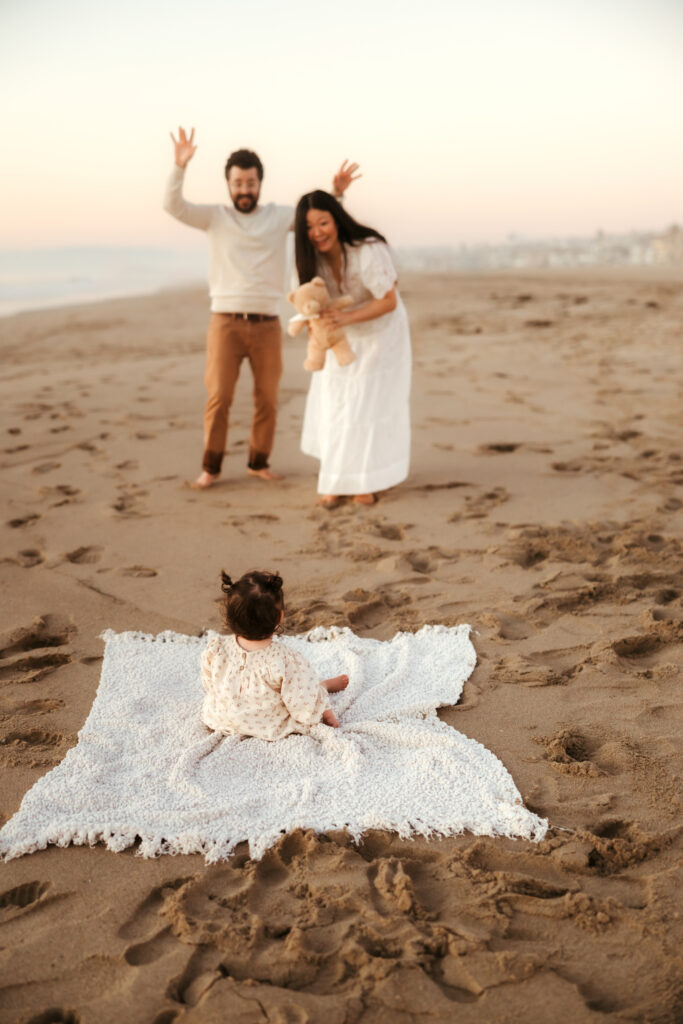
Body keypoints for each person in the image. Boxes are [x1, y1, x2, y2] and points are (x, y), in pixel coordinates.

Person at [163, 127, 360, 489]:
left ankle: (259, 462)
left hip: (268, 324)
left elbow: (316, 222)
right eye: (238, 183)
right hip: (225, 322)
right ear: (228, 184)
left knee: (267, 399)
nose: (244, 190)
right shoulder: (215, 217)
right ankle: (211, 468)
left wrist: (337, 194)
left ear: (259, 184)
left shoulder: (279, 217)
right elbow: (173, 207)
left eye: (250, 183)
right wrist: (179, 167)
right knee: (219, 397)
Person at [293, 191, 411, 508]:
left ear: (337, 220)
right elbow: (308, 306)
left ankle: (365, 482)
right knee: (335, 404)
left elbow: (388, 301)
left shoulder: (367, 250)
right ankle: (333, 482)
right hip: (339, 336)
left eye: (324, 222)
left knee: (366, 406)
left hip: (381, 332)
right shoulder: (309, 260)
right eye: (309, 227)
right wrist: (314, 334)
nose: (318, 232)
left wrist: (347, 316)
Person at [200, 570, 349, 740]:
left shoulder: (217, 649)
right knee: (307, 690)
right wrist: (321, 710)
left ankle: (321, 687)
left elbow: (210, 684)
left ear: (229, 616)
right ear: (280, 617)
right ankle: (323, 687)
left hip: (221, 719)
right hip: (267, 725)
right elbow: (301, 704)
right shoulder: (283, 660)